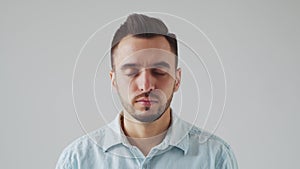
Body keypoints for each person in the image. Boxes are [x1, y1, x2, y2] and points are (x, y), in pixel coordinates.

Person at [56, 13, 238, 169]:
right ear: (114, 80)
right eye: (131, 72)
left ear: (177, 79)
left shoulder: (215, 157)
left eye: (159, 71)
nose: (146, 85)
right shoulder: (77, 160)